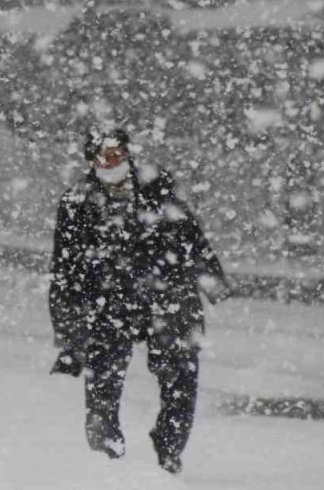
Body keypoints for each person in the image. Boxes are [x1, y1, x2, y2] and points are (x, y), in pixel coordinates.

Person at [48, 127, 230, 474]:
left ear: (127, 154)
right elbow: (65, 270)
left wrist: (212, 278)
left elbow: (189, 234)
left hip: (168, 294)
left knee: (180, 378)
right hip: (107, 302)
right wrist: (69, 333)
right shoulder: (76, 202)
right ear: (90, 160)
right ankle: (107, 459)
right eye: (102, 155)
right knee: (102, 382)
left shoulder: (157, 188)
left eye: (116, 154)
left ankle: (170, 449)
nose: (110, 161)